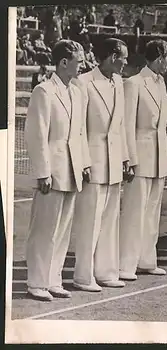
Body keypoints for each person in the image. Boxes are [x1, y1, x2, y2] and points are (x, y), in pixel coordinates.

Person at [24, 40, 88, 301]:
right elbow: (37, 135)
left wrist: (83, 164)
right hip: (52, 170)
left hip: (72, 169)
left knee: (62, 231)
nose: (83, 64)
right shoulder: (44, 91)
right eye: (79, 60)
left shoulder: (76, 91)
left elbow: (79, 133)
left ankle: (53, 279)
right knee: (44, 229)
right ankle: (36, 283)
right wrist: (43, 172)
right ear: (64, 62)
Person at [72, 38, 131, 292]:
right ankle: (83, 276)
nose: (126, 62)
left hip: (114, 162)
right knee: (90, 222)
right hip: (93, 163)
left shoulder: (119, 82)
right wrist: (84, 161)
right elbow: (79, 128)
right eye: (123, 57)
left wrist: (126, 158)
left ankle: (106, 272)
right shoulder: (83, 82)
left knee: (109, 221)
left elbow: (120, 127)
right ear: (111, 56)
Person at [118, 40, 167, 281]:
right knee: (134, 212)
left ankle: (146, 260)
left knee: (152, 212)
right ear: (160, 56)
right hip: (140, 156)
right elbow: (128, 124)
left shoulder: (161, 84)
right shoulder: (133, 84)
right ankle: (125, 265)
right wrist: (129, 158)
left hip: (158, 157)